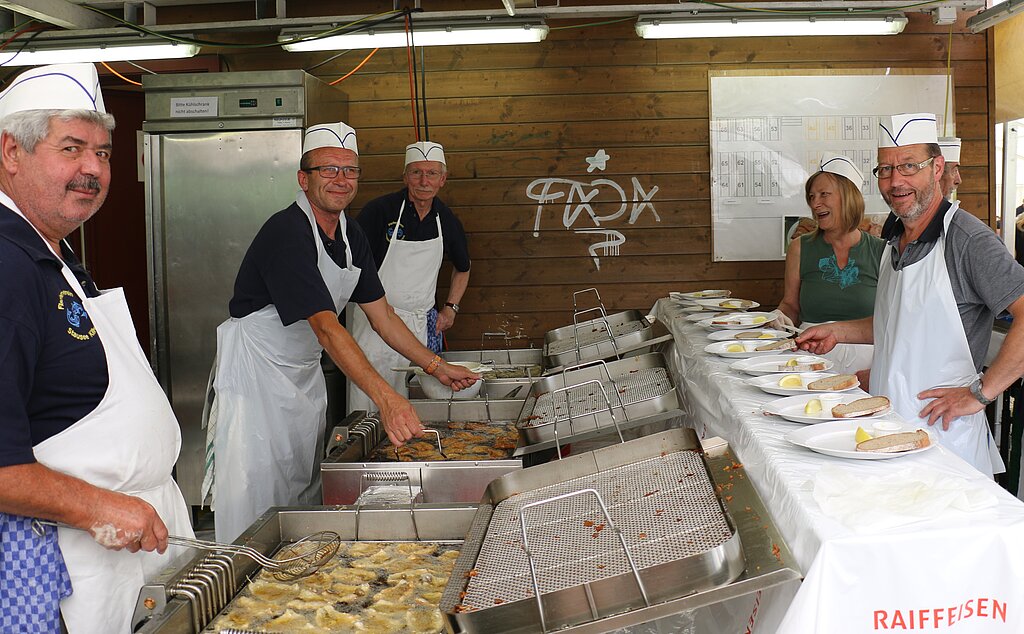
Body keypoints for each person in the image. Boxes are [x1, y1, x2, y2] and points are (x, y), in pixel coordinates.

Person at [204, 123, 476, 542]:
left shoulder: (350, 234)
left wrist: (436, 366)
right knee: (256, 489)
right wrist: (387, 399)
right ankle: (244, 576)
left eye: (349, 171)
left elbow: (381, 315)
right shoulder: (287, 232)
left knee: (302, 481)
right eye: (328, 169)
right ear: (303, 177)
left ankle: (293, 575)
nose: (340, 179)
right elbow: (327, 328)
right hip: (256, 377)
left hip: (300, 371)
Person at [0, 63, 193, 632]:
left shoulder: (50, 252)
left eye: (104, 153)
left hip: (120, 555)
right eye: (72, 148)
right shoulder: (6, 268)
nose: (93, 169)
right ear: (11, 151)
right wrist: (101, 507)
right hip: (68, 567)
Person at [797, 113, 1024, 477]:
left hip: (944, 441)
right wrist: (837, 331)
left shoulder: (967, 240)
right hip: (886, 428)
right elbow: (899, 321)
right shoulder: (893, 239)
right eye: (885, 170)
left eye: (908, 166)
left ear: (936, 168)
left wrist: (981, 393)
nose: (895, 181)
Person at [350, 141, 471, 411]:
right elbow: (351, 264)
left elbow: (463, 267)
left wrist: (450, 309)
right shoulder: (378, 212)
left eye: (431, 173)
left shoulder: (447, 220)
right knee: (369, 401)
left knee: (414, 402)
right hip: (374, 324)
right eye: (416, 172)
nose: (423, 181)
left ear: (443, 179)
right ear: (405, 177)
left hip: (419, 326)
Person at [775, 153, 884, 375]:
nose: (815, 203)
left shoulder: (882, 251)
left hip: (869, 366)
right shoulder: (800, 248)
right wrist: (779, 316)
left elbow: (891, 317)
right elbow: (791, 306)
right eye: (812, 196)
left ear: (849, 197)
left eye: (824, 194)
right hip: (811, 359)